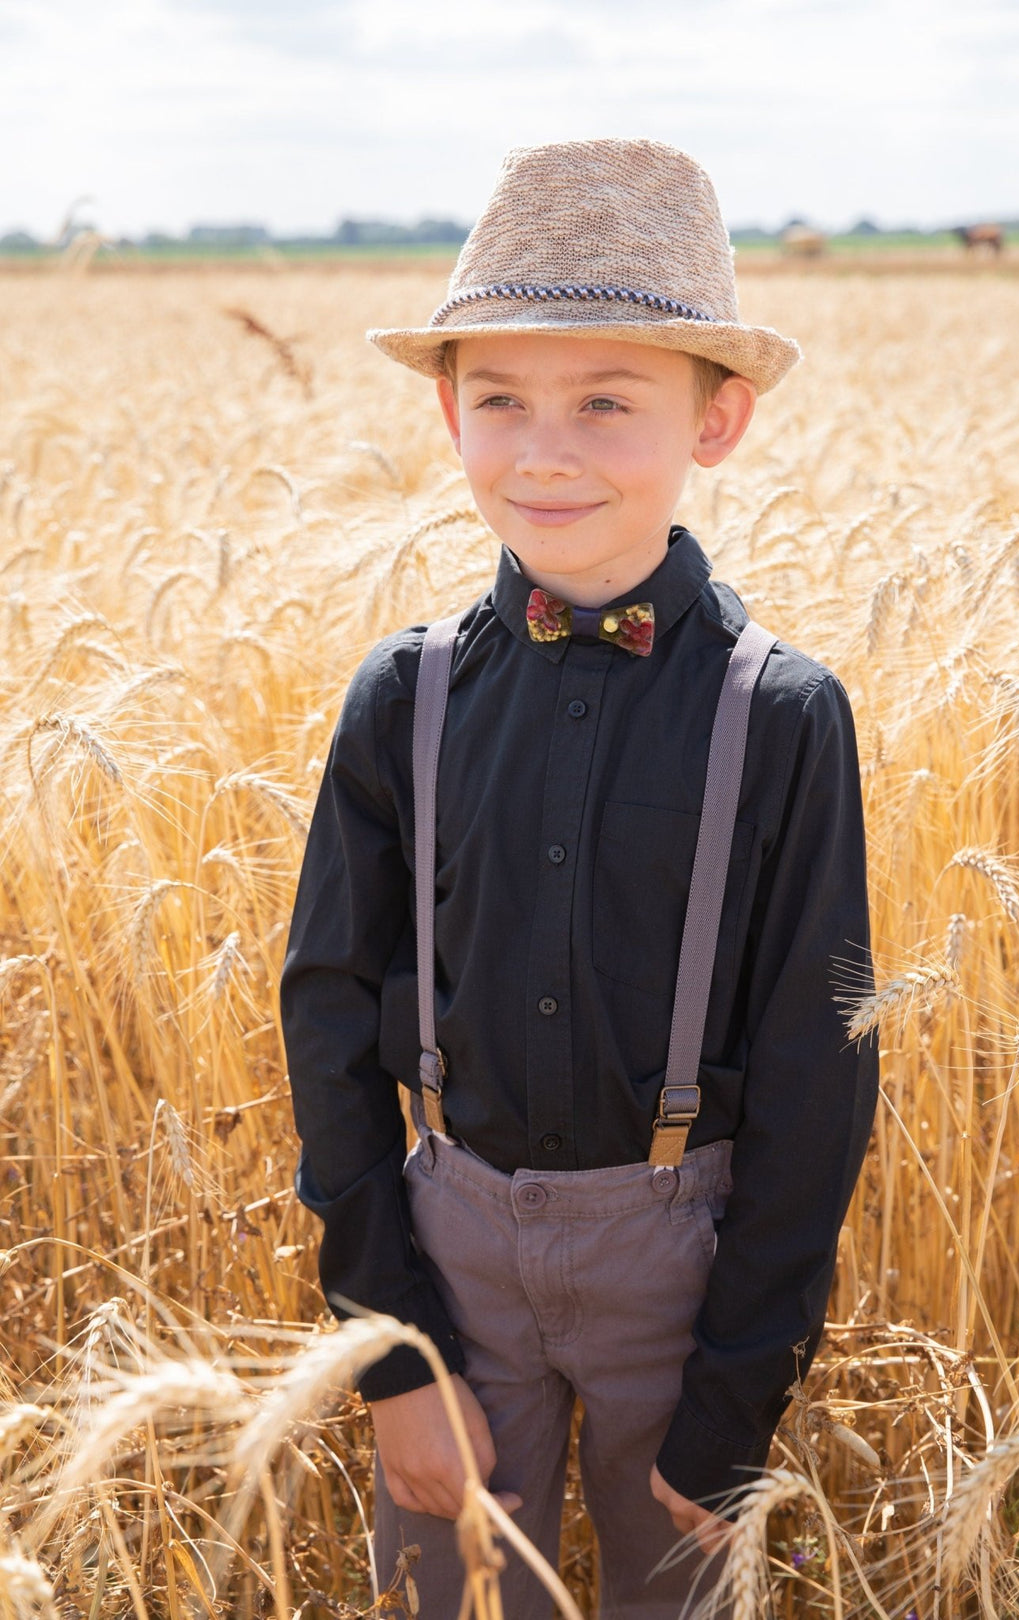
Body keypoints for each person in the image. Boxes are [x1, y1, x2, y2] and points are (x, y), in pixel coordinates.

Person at [281, 138, 878, 1618]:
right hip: (446, 1258)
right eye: (501, 399)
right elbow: (329, 1014)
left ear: (717, 419)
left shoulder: (781, 713)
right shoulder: (403, 695)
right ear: (449, 411)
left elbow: (819, 1070)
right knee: (455, 1595)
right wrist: (392, 1357)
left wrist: (735, 1396)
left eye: (607, 401)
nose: (545, 452)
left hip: (683, 1270)